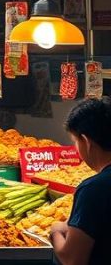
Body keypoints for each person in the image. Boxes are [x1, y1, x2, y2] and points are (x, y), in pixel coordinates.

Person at [51, 96, 111, 265]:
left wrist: (56, 231)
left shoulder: (94, 188)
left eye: (75, 141)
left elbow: (72, 259)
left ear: (86, 142)